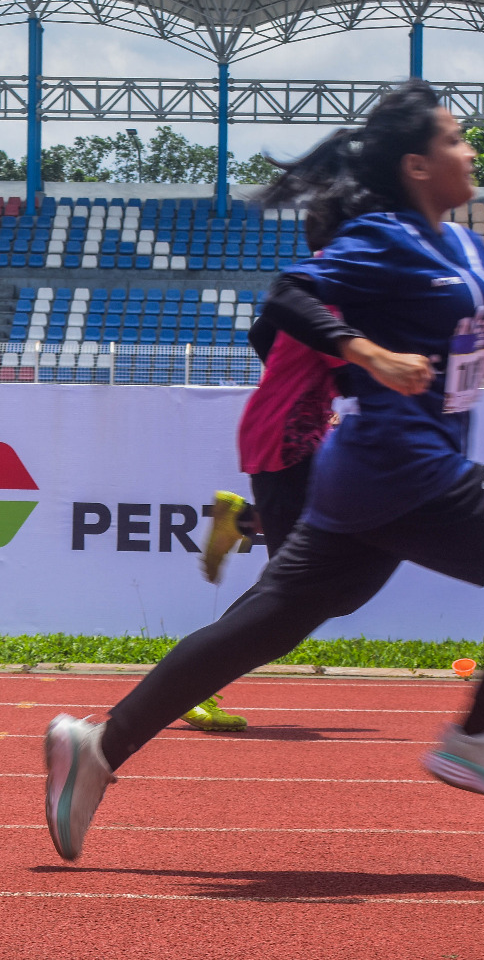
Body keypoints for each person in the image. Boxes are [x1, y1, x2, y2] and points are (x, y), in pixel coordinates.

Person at [45, 80, 484, 861]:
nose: (470, 152)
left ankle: (95, 748)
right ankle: (476, 735)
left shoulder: (466, 247)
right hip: (401, 469)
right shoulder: (385, 238)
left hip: (366, 480)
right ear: (416, 164)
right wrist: (362, 350)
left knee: (274, 620)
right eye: (455, 139)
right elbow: (289, 294)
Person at [187, 217, 346, 732]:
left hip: (292, 434)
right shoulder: (333, 289)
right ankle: (194, 683)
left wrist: (303, 388)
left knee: (309, 580)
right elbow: (363, 372)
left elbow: (262, 330)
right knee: (291, 589)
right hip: (287, 441)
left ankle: (242, 518)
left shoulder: (317, 281)